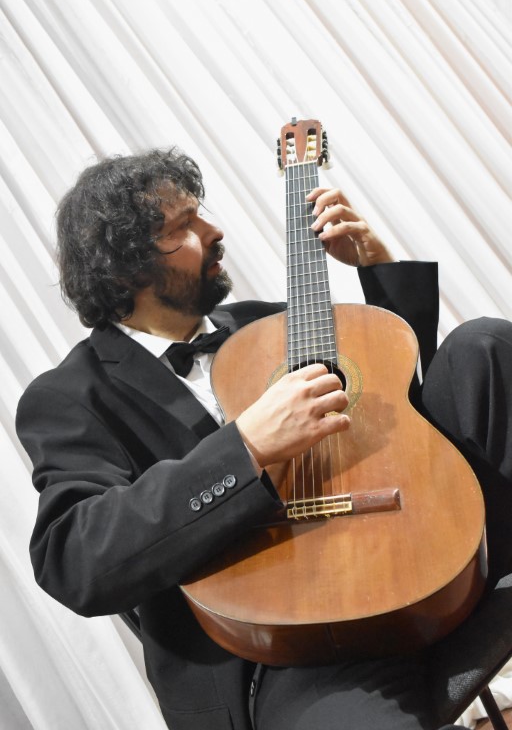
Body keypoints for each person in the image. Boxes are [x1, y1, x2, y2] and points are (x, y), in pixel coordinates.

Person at [16, 148, 511, 730]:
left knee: (483, 345)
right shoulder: (71, 396)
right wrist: (245, 445)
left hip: (415, 562)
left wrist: (375, 265)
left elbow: (404, 402)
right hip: (286, 650)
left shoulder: (270, 324)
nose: (213, 231)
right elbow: (75, 559)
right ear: (124, 268)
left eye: (200, 213)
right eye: (182, 227)